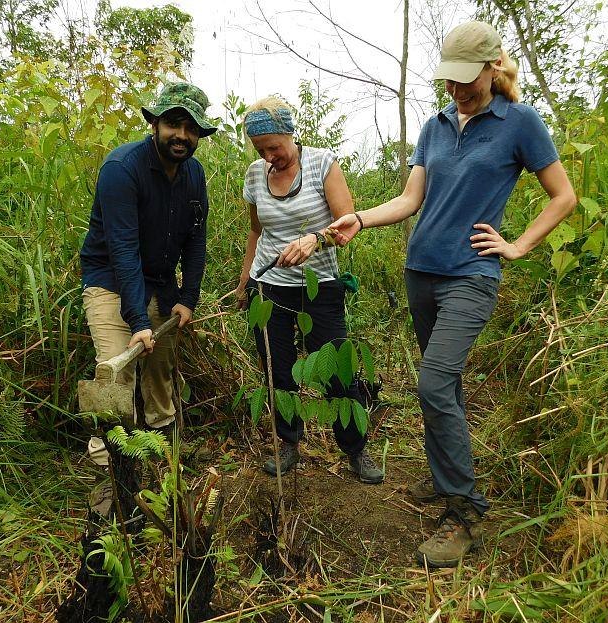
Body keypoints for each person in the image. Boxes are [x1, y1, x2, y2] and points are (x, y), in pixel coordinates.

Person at [328, 21, 577, 566]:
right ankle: (447, 477)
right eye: (450, 80)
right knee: (445, 382)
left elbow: (563, 196)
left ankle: (463, 512)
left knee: (434, 381)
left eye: (468, 79)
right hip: (422, 270)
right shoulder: (435, 126)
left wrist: (517, 245)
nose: (458, 90)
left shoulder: (520, 122)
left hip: (472, 274)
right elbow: (411, 198)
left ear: (492, 68)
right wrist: (360, 218)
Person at [80, 82, 217, 512]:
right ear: (154, 123)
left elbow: (196, 242)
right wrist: (138, 322)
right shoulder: (122, 168)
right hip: (110, 280)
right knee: (115, 369)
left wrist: (187, 298)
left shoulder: (194, 175)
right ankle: (112, 475)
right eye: (174, 123)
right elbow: (122, 248)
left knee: (160, 371)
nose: (182, 135)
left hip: (159, 282)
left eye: (191, 128)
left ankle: (161, 456)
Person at [234, 96, 384, 484]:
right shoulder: (255, 175)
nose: (270, 157)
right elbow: (256, 230)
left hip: (320, 288)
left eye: (275, 147)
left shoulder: (322, 164)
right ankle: (288, 443)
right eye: (261, 150)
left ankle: (355, 447)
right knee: (277, 370)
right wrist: (246, 278)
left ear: (290, 134)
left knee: (336, 369)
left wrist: (315, 239)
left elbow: (346, 224)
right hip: (269, 288)